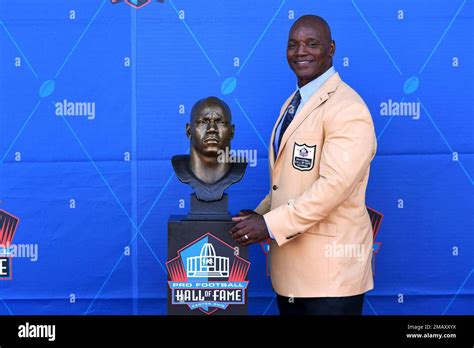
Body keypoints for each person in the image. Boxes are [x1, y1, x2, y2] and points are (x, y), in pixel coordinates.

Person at [230, 15, 377, 315]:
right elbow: (288, 182)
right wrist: (258, 215)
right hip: (293, 277)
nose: (301, 52)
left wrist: (268, 225)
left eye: (312, 44)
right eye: (293, 44)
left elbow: (332, 189)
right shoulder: (294, 102)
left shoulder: (348, 108)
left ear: (331, 49)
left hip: (330, 279)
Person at [172, 96, 246, 202]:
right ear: (189, 131)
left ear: (232, 131)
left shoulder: (238, 167)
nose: (212, 129)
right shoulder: (181, 166)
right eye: (203, 122)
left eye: (220, 122)